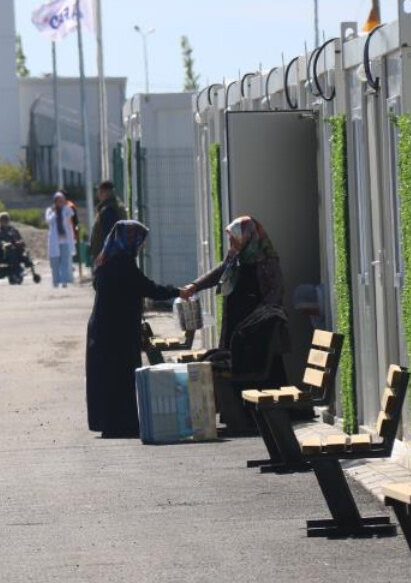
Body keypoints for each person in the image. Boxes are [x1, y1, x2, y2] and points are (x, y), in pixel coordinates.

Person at [86, 221, 179, 437]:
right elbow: (148, 288)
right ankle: (120, 425)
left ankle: (112, 423)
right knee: (120, 377)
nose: (142, 247)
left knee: (110, 378)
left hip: (105, 330)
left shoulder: (107, 261)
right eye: (140, 241)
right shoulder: (123, 265)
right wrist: (177, 291)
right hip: (116, 332)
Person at [180, 215, 291, 388]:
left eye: (234, 239)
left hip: (259, 328)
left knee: (264, 368)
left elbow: (277, 290)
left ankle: (270, 412)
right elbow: (220, 271)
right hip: (236, 324)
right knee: (234, 365)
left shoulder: (267, 259)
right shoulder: (236, 257)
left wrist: (259, 318)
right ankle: (238, 412)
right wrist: (195, 286)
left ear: (247, 237)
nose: (231, 244)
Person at [89, 180, 127, 267]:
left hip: (108, 257)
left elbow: (109, 234)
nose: (99, 195)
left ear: (105, 192)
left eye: (100, 192)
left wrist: (103, 254)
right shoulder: (116, 206)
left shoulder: (108, 210)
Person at [45, 191, 76, 287]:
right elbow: (49, 221)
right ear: (55, 201)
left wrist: (64, 207)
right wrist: (55, 213)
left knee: (65, 262)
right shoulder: (50, 210)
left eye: (62, 201)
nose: (60, 203)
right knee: (55, 263)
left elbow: (71, 214)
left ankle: (64, 281)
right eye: (58, 201)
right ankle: (55, 281)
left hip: (65, 240)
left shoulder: (66, 209)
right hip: (55, 241)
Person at [0, 212, 34, 277]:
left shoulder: (13, 230)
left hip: (15, 249)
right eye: (3, 220)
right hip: (3, 253)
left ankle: (27, 262)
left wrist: (20, 242)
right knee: (12, 251)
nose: (5, 222)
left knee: (21, 251)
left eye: (6, 220)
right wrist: (2, 244)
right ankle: (18, 270)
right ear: (0, 221)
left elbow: (20, 239)